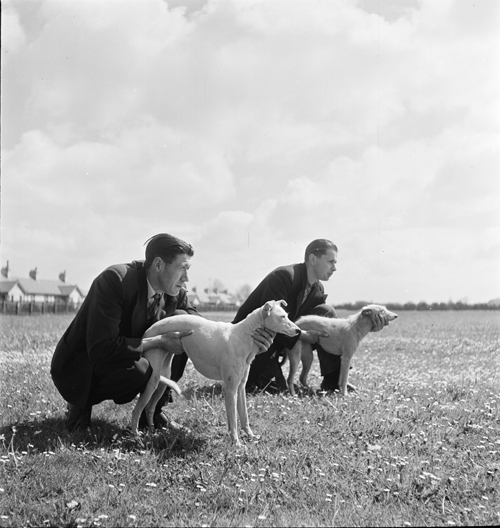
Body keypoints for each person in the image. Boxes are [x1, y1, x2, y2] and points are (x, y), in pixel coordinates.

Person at [51, 233, 273, 433]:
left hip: (126, 352)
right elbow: (101, 347)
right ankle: (79, 408)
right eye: (182, 268)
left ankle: (154, 412)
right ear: (158, 265)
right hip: (81, 366)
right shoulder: (115, 281)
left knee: (187, 330)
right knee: (140, 370)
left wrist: (250, 339)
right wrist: (159, 340)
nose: (186, 278)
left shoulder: (177, 293)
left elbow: (206, 331)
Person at [232, 239, 387, 394]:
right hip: (252, 344)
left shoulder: (318, 289)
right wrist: (302, 335)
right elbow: (270, 320)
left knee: (326, 312)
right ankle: (255, 375)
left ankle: (333, 380)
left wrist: (367, 326)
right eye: (330, 262)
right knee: (274, 389)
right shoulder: (284, 276)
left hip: (283, 339)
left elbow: (331, 329)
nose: (335, 268)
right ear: (313, 259)